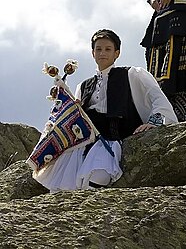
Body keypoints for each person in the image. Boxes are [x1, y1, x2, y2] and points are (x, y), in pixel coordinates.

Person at [33, 29, 177, 192]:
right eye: (98, 49)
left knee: (97, 178)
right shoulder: (84, 85)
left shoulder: (132, 74)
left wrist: (153, 122)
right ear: (93, 53)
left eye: (108, 49)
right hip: (85, 141)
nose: (103, 53)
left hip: (113, 138)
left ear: (117, 53)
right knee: (64, 187)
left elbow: (157, 97)